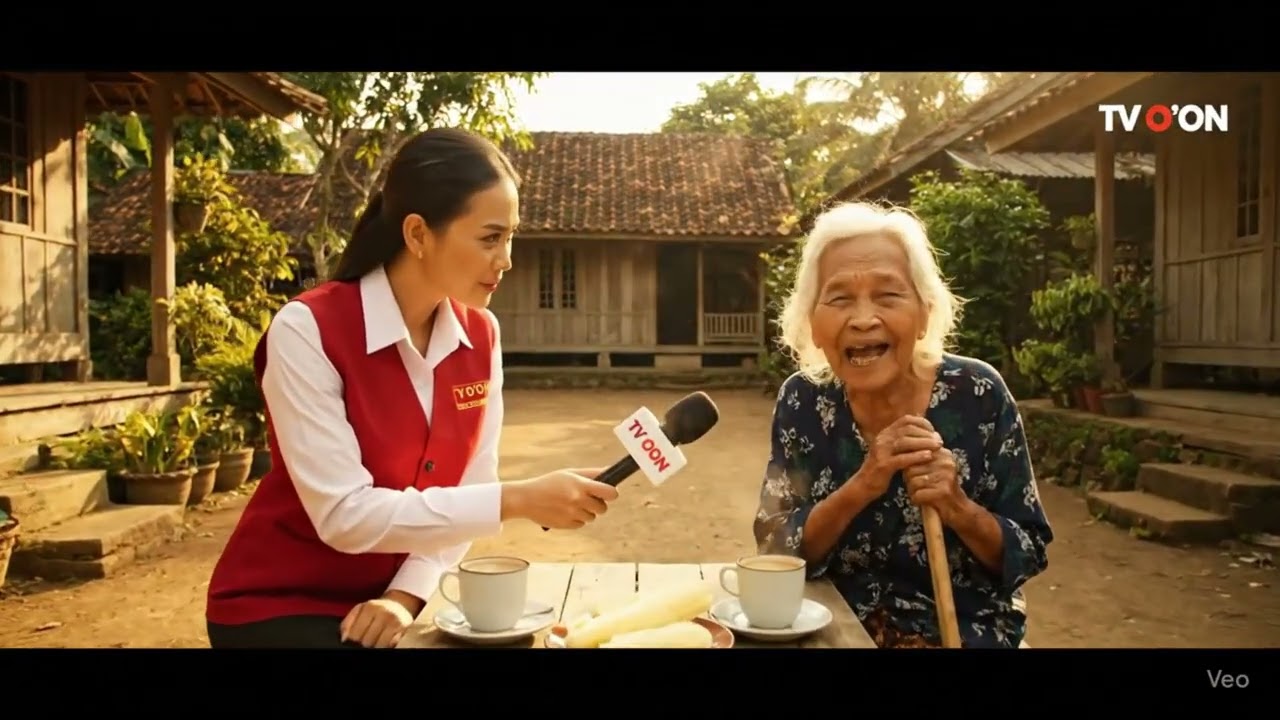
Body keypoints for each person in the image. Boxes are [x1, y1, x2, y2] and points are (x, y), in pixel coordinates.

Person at [205, 128, 619, 649]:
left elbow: (468, 488)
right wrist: (517, 500)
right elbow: (342, 516)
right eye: (491, 237)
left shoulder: (480, 335)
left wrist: (403, 595)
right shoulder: (308, 329)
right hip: (276, 606)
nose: (507, 258)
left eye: (510, 235)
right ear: (419, 234)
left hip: (386, 605)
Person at [752, 201, 1053, 649]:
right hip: (833, 627)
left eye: (888, 295)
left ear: (924, 313)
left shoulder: (977, 394)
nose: (863, 318)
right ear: (813, 324)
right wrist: (865, 483)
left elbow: (1027, 551)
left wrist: (957, 507)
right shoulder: (804, 400)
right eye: (839, 298)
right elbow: (776, 548)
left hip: (965, 632)